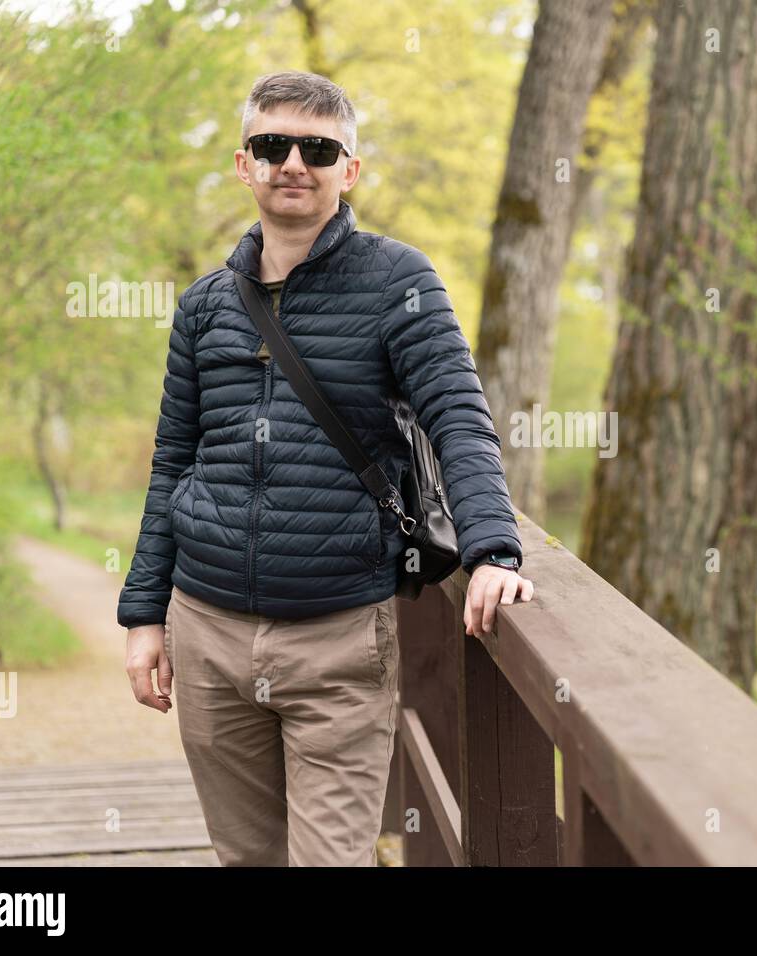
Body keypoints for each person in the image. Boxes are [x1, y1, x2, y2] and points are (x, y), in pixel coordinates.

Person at [117, 70, 533, 866]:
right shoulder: (205, 304)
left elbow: (459, 418)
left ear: (350, 168)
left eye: (318, 147)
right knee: (248, 860)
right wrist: (144, 616)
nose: (293, 163)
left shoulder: (399, 281)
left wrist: (492, 550)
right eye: (273, 145)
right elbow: (173, 459)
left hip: (339, 637)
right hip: (205, 633)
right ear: (245, 164)